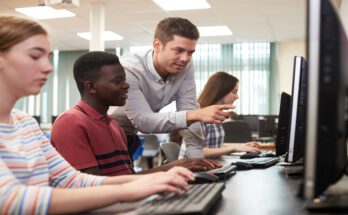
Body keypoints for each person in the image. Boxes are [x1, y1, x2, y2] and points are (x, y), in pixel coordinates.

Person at [0, 15, 193, 214]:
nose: (48, 67)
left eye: (48, 58)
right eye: (34, 56)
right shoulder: (70, 122)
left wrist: (153, 179)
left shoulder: (26, 124)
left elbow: (72, 180)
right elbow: (10, 199)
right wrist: (127, 190)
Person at [51, 51, 220, 176]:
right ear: (91, 87)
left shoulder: (113, 125)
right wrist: (168, 170)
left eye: (124, 79)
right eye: (118, 81)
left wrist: (176, 166)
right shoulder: (70, 123)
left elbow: (128, 178)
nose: (126, 86)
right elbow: (92, 188)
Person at [110, 17, 233, 159]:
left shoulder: (183, 64)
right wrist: (195, 115)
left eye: (190, 52)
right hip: (101, 134)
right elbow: (144, 121)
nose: (185, 58)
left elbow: (188, 106)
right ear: (157, 45)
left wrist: (197, 160)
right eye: (179, 50)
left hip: (129, 135)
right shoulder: (128, 69)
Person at [182, 72, 261, 158]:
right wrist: (234, 148)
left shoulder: (216, 116)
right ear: (221, 92)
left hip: (209, 166)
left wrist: (242, 146)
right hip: (191, 169)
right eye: (234, 92)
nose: (237, 96)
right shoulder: (199, 116)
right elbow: (192, 153)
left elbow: (214, 147)